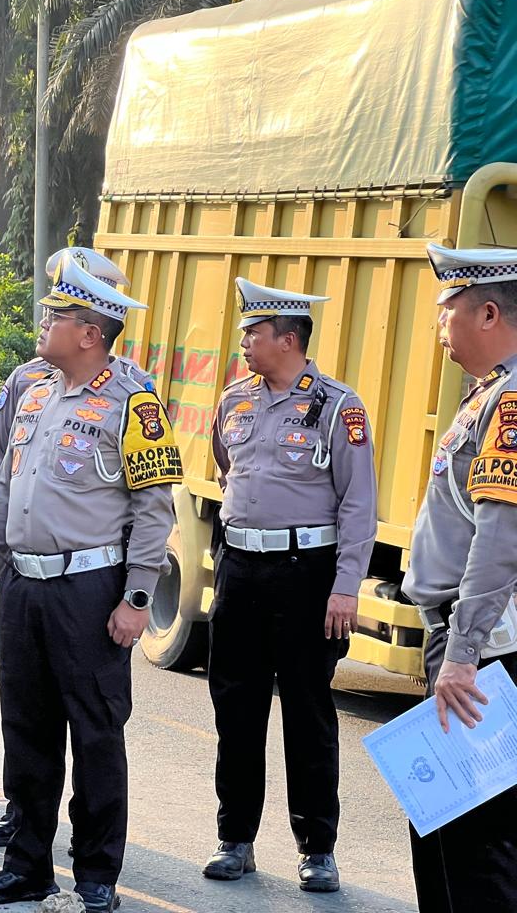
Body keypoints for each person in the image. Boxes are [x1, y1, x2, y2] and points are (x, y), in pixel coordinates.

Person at [0, 261, 180, 912]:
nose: (44, 324)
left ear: (90, 332)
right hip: (25, 592)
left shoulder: (134, 404)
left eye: (56, 317)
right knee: (26, 733)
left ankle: (95, 874)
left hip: (90, 591)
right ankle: (27, 865)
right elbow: (6, 493)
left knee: (94, 736)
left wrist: (137, 597)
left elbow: (154, 508)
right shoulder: (33, 396)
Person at [202, 278, 377, 893]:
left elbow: (358, 503)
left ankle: (317, 848)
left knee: (307, 710)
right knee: (236, 707)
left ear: (289, 339)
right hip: (241, 569)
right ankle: (235, 839)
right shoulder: (234, 401)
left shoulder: (337, 407)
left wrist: (346, 586)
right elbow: (226, 466)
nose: (244, 342)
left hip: (307, 574)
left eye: (254, 332)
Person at [402, 244, 517, 911]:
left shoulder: (509, 403)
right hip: (470, 644)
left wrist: (464, 655)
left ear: (489, 312)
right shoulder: (490, 396)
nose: (440, 327)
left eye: (447, 312)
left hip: (487, 653)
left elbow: (501, 537)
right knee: (443, 824)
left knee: (475, 841)